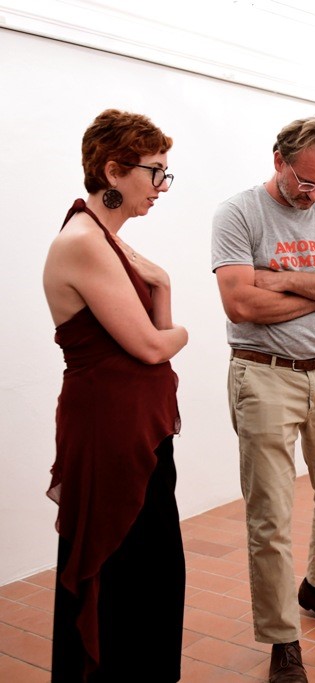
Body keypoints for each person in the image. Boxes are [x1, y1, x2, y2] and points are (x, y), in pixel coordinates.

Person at [211, 117, 315, 683]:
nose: (313, 195)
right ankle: (283, 639)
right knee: (271, 515)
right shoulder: (238, 214)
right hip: (264, 375)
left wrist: (280, 279)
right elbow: (242, 306)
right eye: (305, 182)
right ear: (278, 159)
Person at [42, 109, 188, 680]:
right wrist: (183, 333)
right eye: (155, 172)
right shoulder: (84, 242)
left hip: (136, 428)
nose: (162, 187)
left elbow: (152, 340)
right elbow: (154, 346)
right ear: (112, 171)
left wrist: (164, 285)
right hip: (110, 430)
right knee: (124, 566)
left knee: (151, 566)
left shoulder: (106, 241)